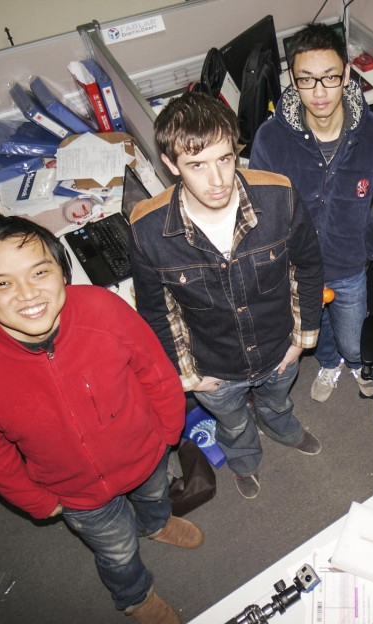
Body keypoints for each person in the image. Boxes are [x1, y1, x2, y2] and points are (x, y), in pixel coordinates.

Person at [0, 216, 192, 624]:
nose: (27, 294)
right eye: (1, 283)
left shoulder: (103, 308)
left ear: (63, 273)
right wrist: (38, 501)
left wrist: (168, 431)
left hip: (146, 451)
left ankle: (156, 523)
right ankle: (134, 596)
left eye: (40, 272)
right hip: (76, 492)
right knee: (117, 551)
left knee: (156, 495)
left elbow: (154, 370)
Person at [130, 93, 325, 501]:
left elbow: (306, 267)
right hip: (213, 367)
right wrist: (188, 375)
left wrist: (302, 340)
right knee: (233, 424)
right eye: (196, 165)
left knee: (277, 403)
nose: (217, 180)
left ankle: (280, 426)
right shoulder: (148, 230)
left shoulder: (279, 197)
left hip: (279, 349)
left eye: (224, 159)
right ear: (170, 164)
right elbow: (156, 310)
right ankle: (244, 458)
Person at [250, 23, 373, 403]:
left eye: (329, 78)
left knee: (352, 335)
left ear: (347, 75)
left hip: (349, 265)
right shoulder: (271, 138)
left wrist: (368, 246)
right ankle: (329, 363)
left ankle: (354, 362)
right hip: (298, 266)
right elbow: (260, 206)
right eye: (306, 80)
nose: (319, 92)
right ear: (293, 80)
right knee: (314, 328)